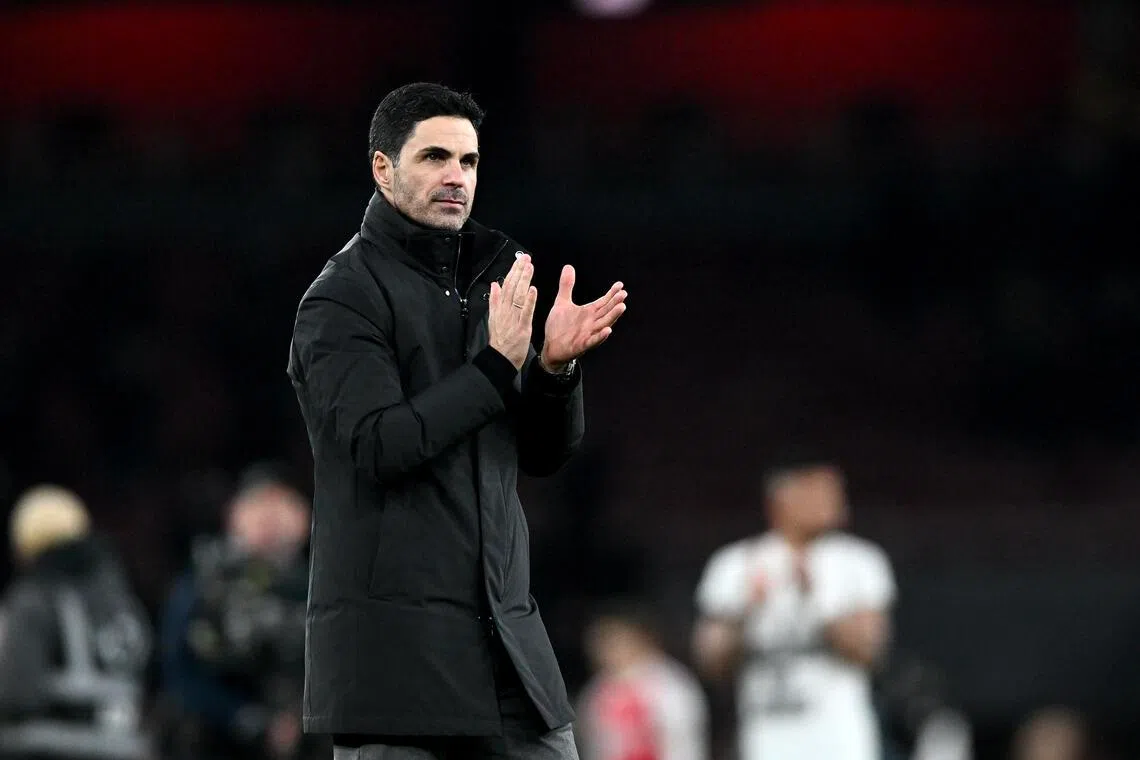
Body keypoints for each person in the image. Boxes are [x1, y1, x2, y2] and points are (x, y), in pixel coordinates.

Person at [286, 82, 628, 760]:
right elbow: (379, 445)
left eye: (468, 161)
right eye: (434, 157)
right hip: (396, 673)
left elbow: (540, 455)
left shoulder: (493, 279)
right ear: (383, 169)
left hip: (508, 647)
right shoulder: (341, 300)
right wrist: (496, 367)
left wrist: (554, 369)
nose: (456, 177)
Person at [691, 459, 895, 760]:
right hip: (766, 737)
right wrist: (745, 609)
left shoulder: (858, 560)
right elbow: (711, 662)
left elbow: (869, 652)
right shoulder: (737, 563)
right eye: (815, 491)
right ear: (780, 500)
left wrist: (817, 599)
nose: (833, 502)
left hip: (839, 739)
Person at [159, 466, 314, 760]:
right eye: (260, 511)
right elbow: (179, 670)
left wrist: (291, 720)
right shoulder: (206, 580)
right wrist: (242, 716)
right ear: (235, 516)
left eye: (280, 511)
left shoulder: (308, 586)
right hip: (216, 733)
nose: (271, 526)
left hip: (294, 732)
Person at [0, 485, 153, 760]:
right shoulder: (123, 601)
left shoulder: (34, 600)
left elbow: (19, 696)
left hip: (51, 750)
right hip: (124, 748)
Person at [576, 603, 708, 760]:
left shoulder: (671, 684)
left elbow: (683, 744)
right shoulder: (596, 690)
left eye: (612, 638)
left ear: (639, 637)